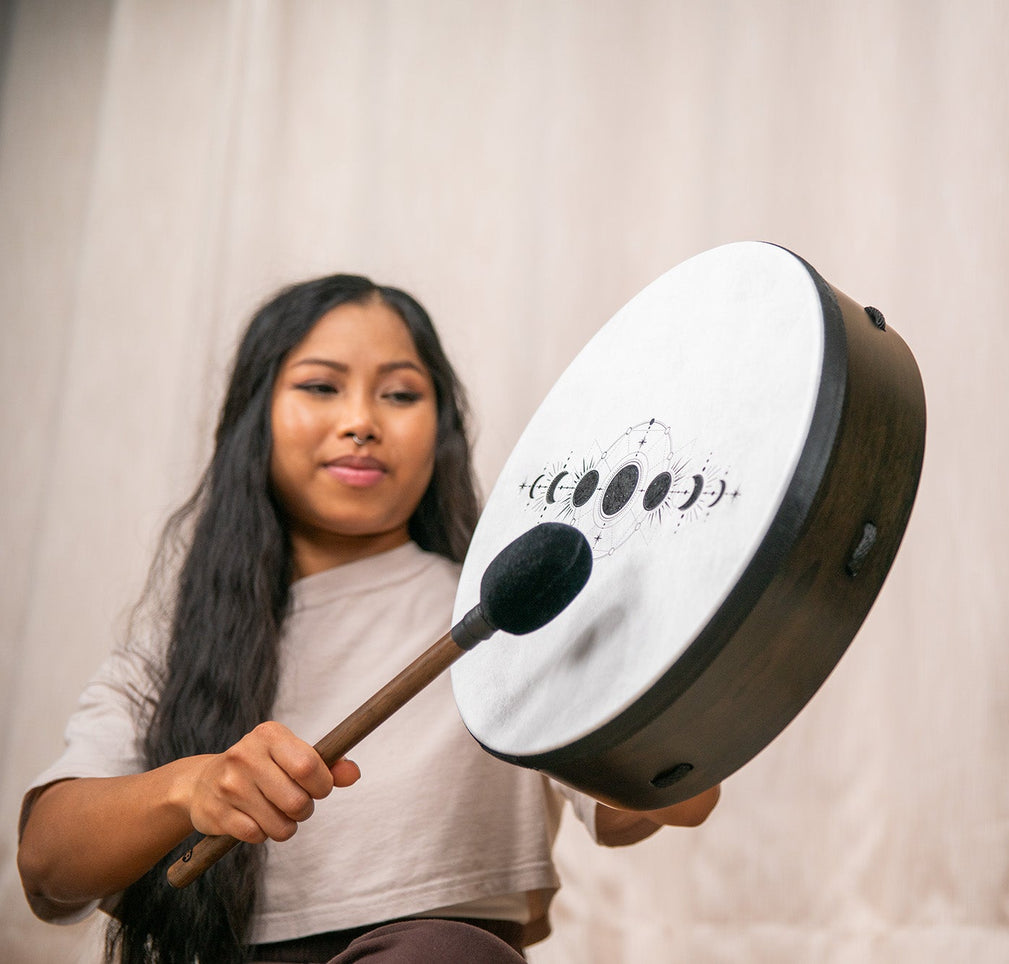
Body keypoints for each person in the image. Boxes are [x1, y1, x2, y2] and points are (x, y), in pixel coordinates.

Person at [15, 275, 719, 964]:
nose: (361, 422)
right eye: (321, 386)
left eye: (400, 394)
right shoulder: (182, 634)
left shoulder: (508, 612)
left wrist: (691, 733)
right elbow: (46, 868)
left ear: (440, 429)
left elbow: (665, 800)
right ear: (253, 418)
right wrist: (189, 787)